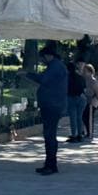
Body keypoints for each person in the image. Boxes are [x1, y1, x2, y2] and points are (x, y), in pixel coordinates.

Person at [25, 43, 67, 175]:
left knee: (49, 135)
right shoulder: (56, 66)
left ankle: (51, 164)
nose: (41, 61)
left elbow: (43, 79)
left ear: (48, 56)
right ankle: (49, 163)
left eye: (42, 58)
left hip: (51, 105)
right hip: (53, 104)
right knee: (49, 134)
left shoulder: (55, 67)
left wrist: (27, 74)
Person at [66, 58, 87, 143]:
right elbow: (84, 88)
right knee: (79, 117)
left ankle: (74, 135)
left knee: (73, 118)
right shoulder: (80, 77)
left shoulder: (67, 78)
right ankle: (80, 135)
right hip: (82, 98)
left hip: (72, 97)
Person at [82, 63, 98, 141]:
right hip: (85, 101)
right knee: (84, 117)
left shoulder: (93, 80)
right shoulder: (84, 79)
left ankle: (90, 134)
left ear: (90, 72)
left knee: (89, 118)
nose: (84, 72)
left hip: (91, 101)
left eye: (85, 71)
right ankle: (86, 132)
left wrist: (97, 101)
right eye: (83, 70)